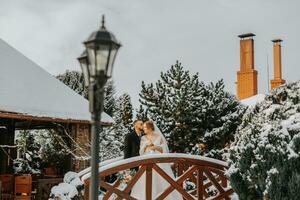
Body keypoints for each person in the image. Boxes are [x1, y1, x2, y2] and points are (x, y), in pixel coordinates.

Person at [130, 121, 182, 199]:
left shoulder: (159, 137)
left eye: (145, 127)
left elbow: (163, 150)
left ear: (150, 128)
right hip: (147, 161)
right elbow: (141, 151)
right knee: (145, 180)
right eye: (143, 127)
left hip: (159, 162)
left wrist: (155, 147)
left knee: (162, 180)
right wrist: (146, 145)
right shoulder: (143, 138)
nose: (143, 129)